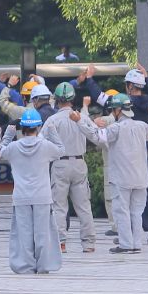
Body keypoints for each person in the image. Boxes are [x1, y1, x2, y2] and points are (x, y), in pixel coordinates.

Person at [85, 64, 148, 244]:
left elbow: (99, 96)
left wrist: (89, 78)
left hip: (124, 152)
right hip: (143, 151)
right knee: (147, 192)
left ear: (129, 86)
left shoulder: (123, 102)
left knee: (124, 199)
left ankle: (126, 236)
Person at [78, 93, 148, 254]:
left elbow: (97, 136)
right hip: (140, 178)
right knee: (137, 212)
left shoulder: (116, 128)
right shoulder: (142, 126)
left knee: (121, 211)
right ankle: (136, 243)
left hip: (121, 178)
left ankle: (125, 244)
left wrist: (80, 121)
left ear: (117, 110)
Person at [1, 108, 65, 273]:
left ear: (22, 128)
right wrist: (51, 130)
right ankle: (44, 265)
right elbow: (61, 150)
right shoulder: (45, 146)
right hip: (42, 196)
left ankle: (25, 266)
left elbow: (2, 150)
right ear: (38, 127)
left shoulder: (14, 147)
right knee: (43, 234)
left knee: (23, 234)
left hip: (21, 196)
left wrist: (9, 132)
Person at [44, 83, 99, 253]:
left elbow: (41, 142)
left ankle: (61, 243)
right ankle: (89, 243)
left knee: (59, 206)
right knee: (83, 206)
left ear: (57, 100)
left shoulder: (52, 120)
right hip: (80, 163)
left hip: (60, 163)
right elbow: (96, 135)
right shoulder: (81, 117)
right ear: (73, 98)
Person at [83, 89, 120, 236]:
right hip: (126, 163)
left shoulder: (106, 121)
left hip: (111, 163)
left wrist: (85, 107)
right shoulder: (129, 120)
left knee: (110, 197)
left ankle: (116, 226)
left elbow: (85, 125)